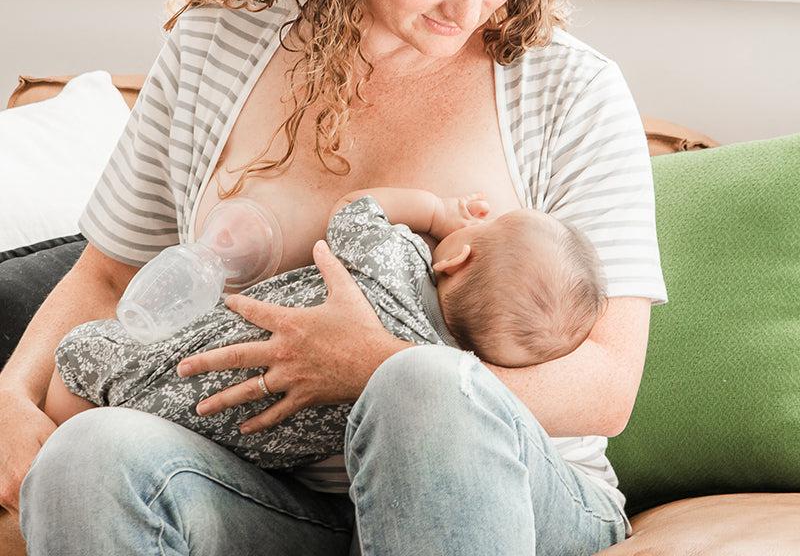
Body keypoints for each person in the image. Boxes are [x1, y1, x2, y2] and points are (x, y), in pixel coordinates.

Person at [1, 0, 668, 554]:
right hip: (265, 488)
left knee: (422, 387)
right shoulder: (222, 45)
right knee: (87, 454)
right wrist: (10, 395)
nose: (470, 6)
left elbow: (608, 385)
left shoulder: (569, 91)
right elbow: (110, 276)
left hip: (505, 487)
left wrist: (378, 363)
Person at [43, 187, 608, 472]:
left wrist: (436, 211)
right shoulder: (437, 370)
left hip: (173, 363)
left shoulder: (394, 259)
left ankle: (57, 441)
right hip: (239, 453)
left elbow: (353, 209)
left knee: (84, 354)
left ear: (456, 257)